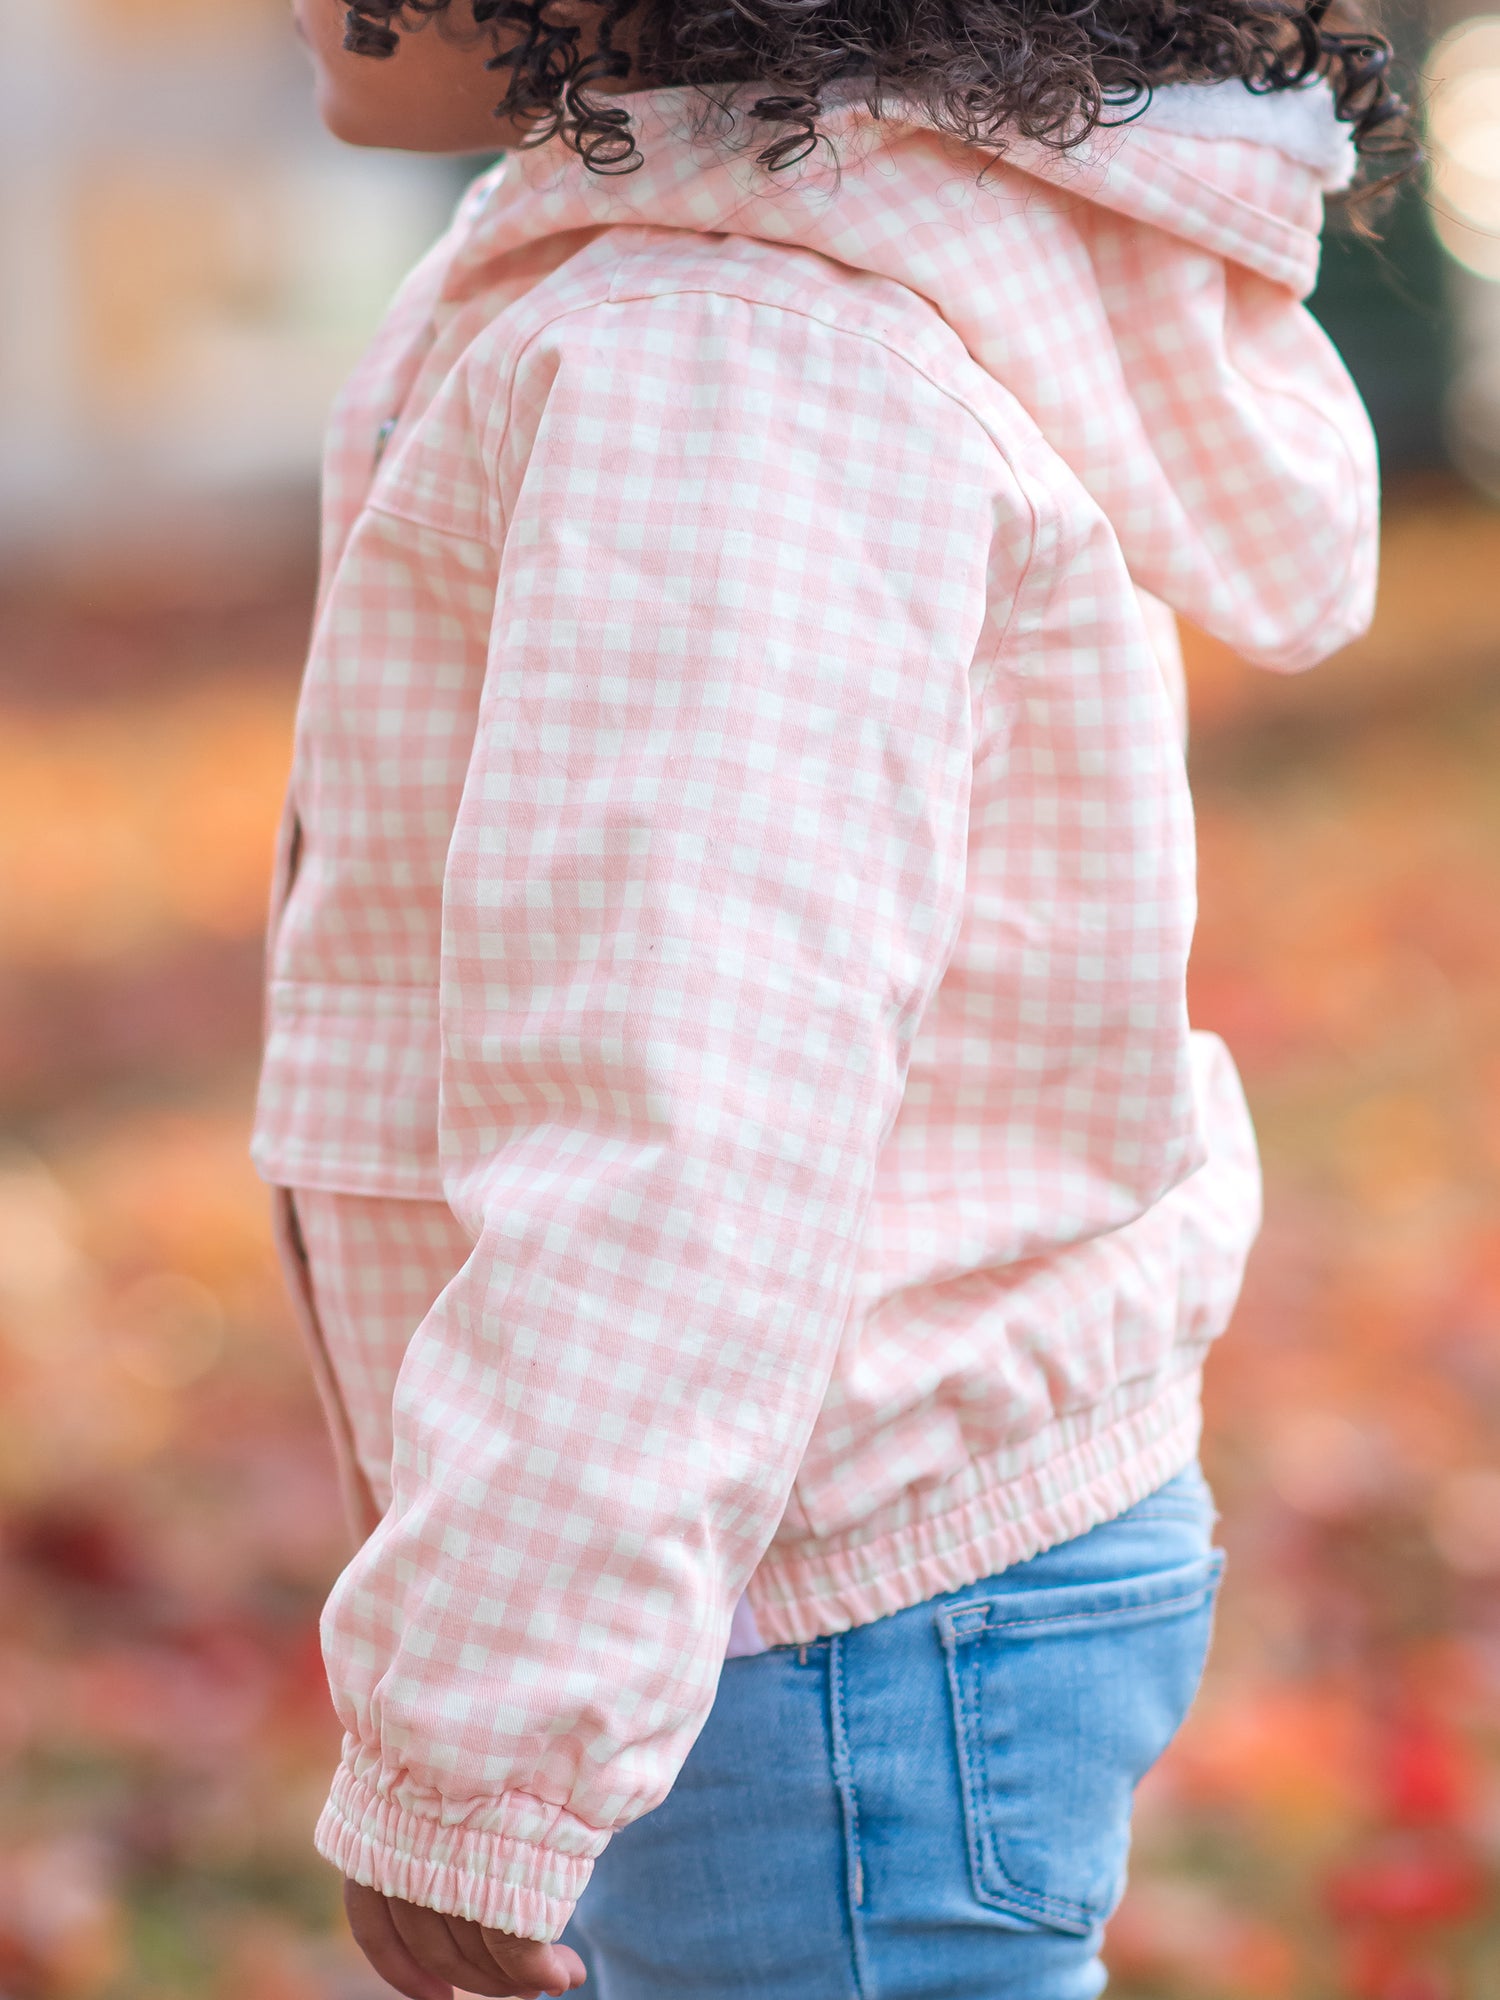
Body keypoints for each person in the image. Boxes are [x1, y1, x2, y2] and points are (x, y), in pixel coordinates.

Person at [256, 3, 1408, 1995]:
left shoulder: (727, 361)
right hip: (824, 1568)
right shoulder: (719, 272)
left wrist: (495, 1746)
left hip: (821, 1637)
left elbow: (689, 1109)